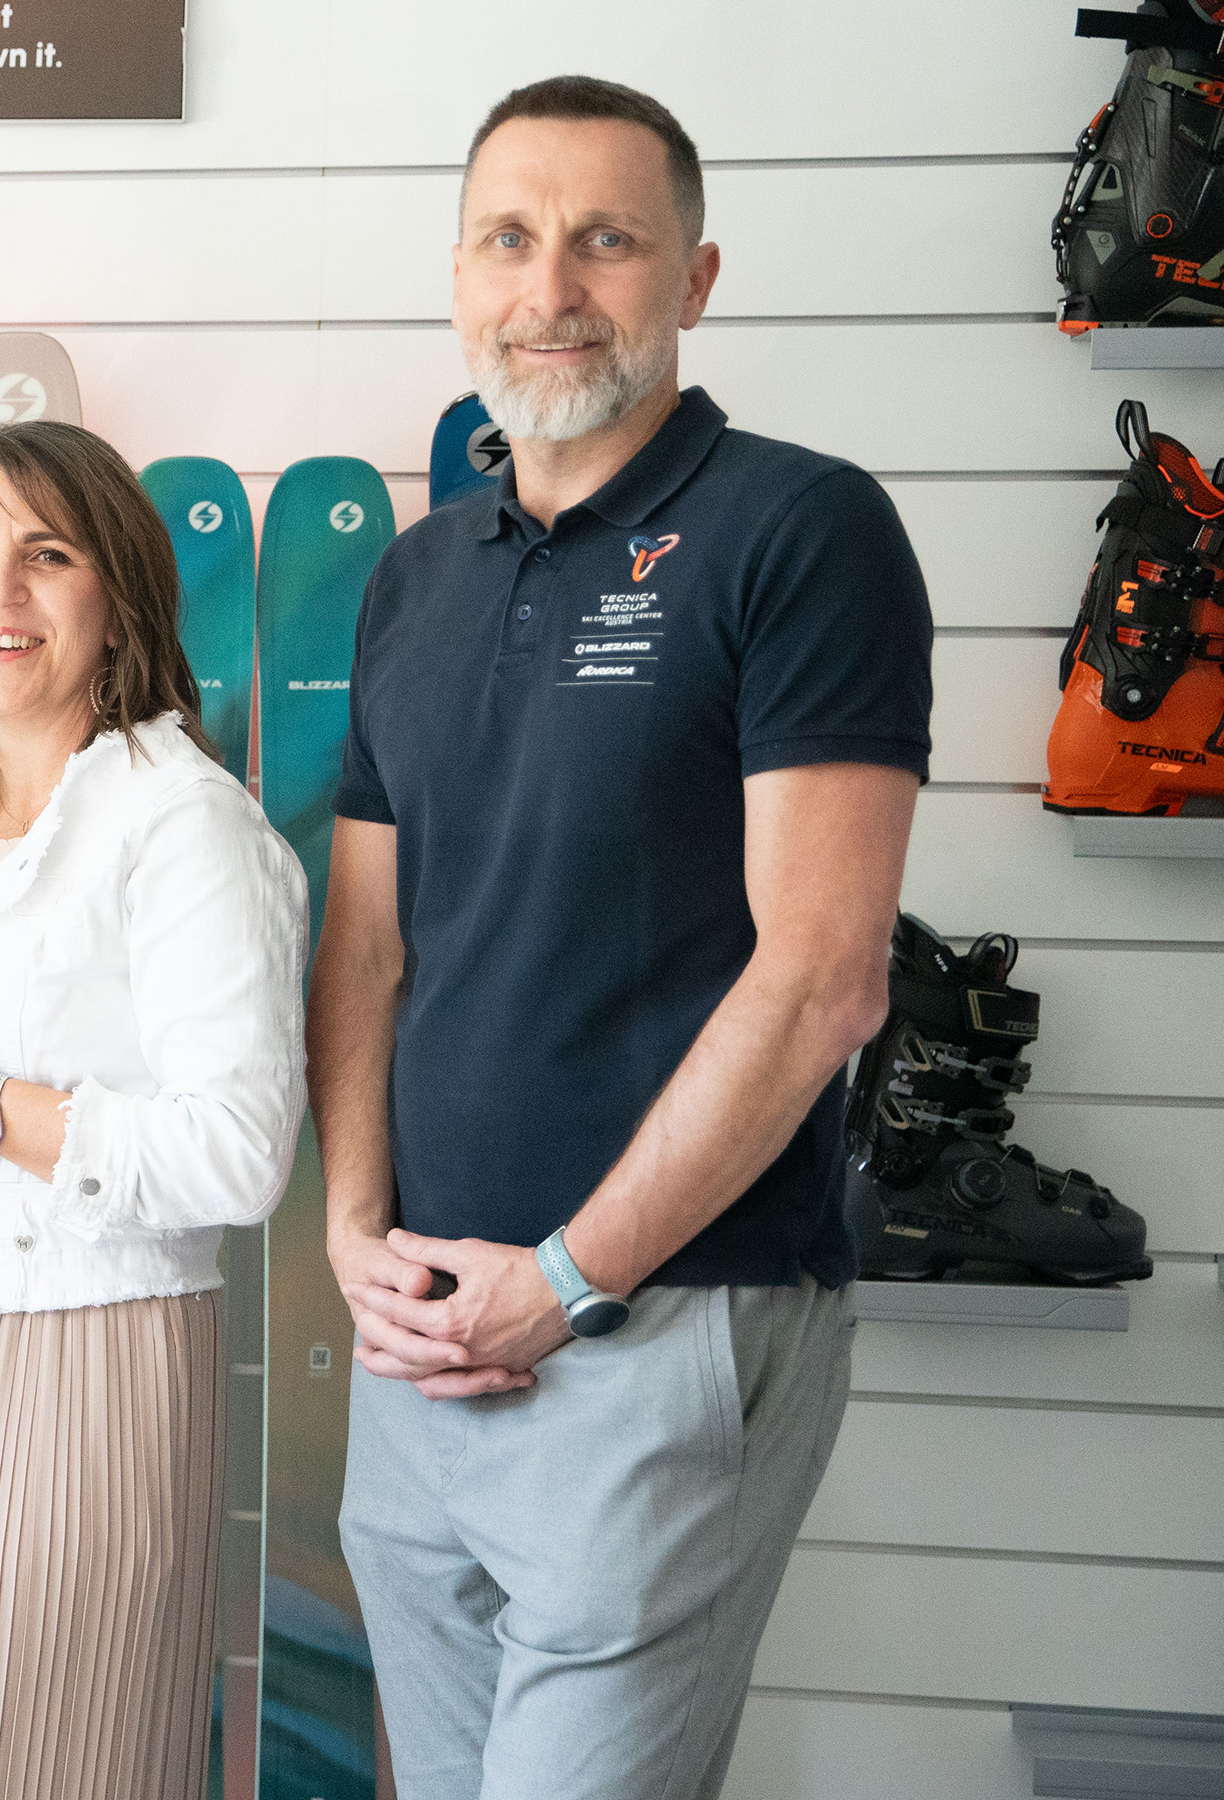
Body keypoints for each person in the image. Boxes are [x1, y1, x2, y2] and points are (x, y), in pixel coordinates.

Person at [317, 76, 931, 1800]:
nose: (552, 287)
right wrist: (355, 1231)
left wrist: (571, 1281)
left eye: (606, 241)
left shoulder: (799, 531)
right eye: (509, 239)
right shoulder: (417, 577)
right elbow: (366, 951)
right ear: (459, 275)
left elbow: (824, 979)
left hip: (657, 1326)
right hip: (421, 1341)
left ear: (695, 277)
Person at [0, 420, 303, 1800]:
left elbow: (241, 1153)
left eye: (47, 555)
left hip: (85, 1362)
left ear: (120, 596)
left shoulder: (184, 823)